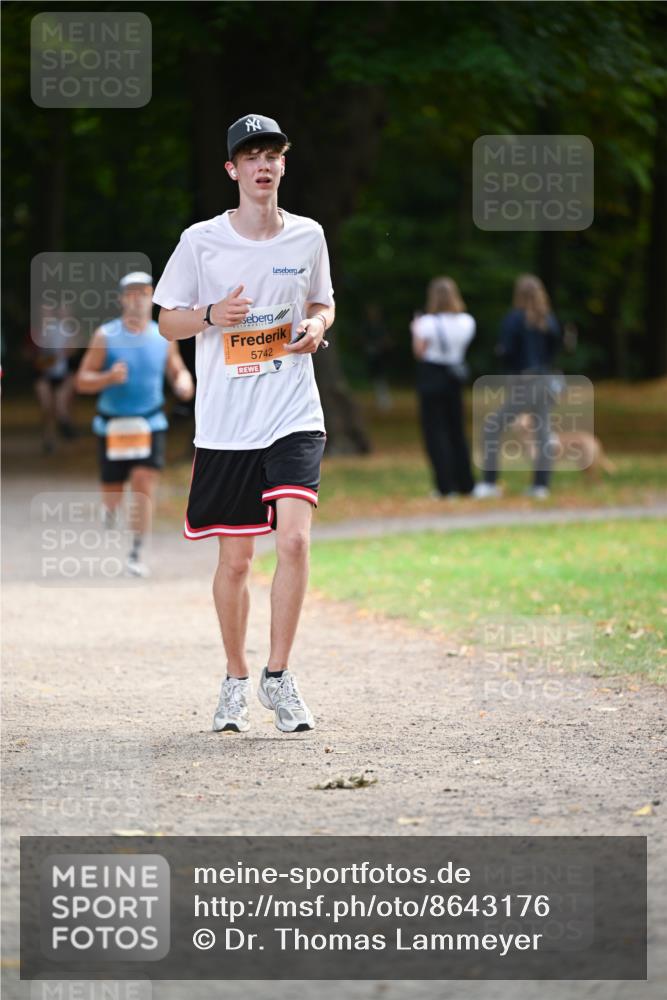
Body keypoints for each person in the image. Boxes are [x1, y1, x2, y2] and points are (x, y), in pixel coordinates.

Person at [152, 113, 335, 735]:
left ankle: (278, 677)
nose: (263, 165)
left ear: (283, 166)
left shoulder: (308, 235)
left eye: (273, 155)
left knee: (294, 540)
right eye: (251, 156)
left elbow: (321, 300)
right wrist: (210, 314)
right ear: (232, 169)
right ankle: (235, 676)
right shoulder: (200, 241)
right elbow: (166, 322)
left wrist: (316, 326)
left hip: (292, 410)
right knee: (235, 563)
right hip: (227, 422)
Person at [76, 271, 194, 576]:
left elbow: (177, 370)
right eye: (130, 293)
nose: (137, 299)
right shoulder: (105, 335)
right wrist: (106, 378)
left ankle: (137, 550)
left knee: (143, 483)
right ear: (121, 299)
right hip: (113, 426)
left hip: (149, 423)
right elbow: (81, 381)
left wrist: (183, 383)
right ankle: (110, 509)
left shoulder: (162, 336)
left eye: (143, 293)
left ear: (151, 297)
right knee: (114, 491)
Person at [473, 273, 562, 500]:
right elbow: (554, 350)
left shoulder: (514, 319)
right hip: (545, 380)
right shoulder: (548, 320)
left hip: (524, 380)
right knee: (542, 433)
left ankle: (489, 482)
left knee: (492, 427)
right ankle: (541, 486)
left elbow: (506, 350)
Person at [411, 276, 476, 497]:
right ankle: (466, 483)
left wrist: (415, 330)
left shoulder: (426, 323)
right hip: (454, 377)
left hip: (431, 374)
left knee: (435, 432)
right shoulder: (467, 321)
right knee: (456, 430)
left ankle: (445, 486)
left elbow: (420, 351)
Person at [28, 303, 79, 453]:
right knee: (47, 407)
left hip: (62, 374)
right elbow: (34, 357)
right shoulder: (37, 331)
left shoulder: (66, 330)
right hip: (43, 375)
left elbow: (70, 351)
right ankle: (48, 438)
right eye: (44, 312)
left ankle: (65, 426)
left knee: (60, 404)